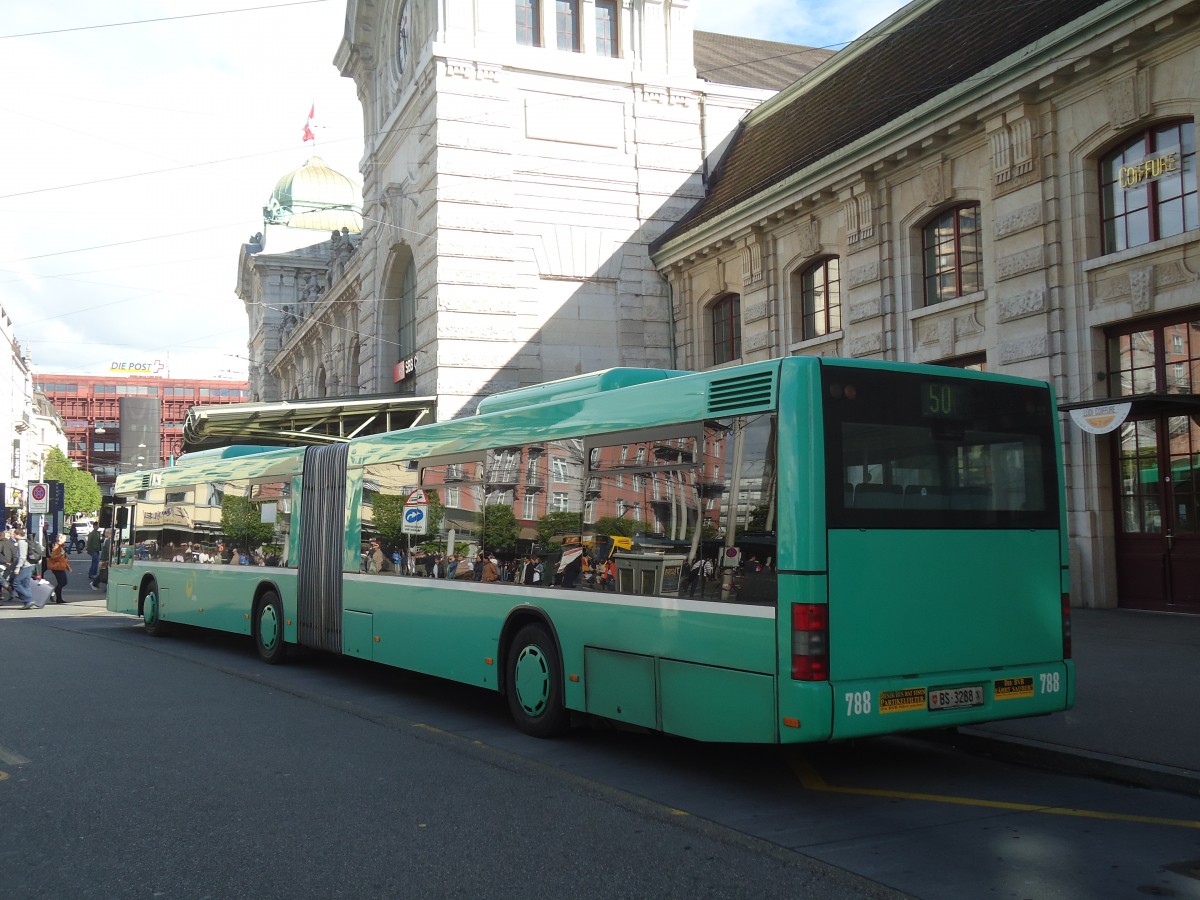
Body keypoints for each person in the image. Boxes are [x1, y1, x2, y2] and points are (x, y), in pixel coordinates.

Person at [12, 527, 37, 609]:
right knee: (26, 584)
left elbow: (22, 557)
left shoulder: (21, 542)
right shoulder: (26, 540)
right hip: (31, 565)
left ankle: (28, 599)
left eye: (14, 534)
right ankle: (28, 602)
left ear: (17, 534)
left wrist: (18, 567)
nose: (13, 536)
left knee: (16, 583)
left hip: (25, 566)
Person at [46, 535, 72, 604]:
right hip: (57, 567)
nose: (65, 540)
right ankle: (55, 595)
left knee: (63, 582)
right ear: (60, 539)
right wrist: (61, 554)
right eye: (64, 539)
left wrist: (68, 567)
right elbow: (52, 557)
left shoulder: (61, 546)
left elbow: (64, 558)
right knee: (62, 582)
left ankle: (58, 598)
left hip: (61, 566)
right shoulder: (56, 546)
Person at [0, 527, 17, 601]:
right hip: (9, 564)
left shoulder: (1, 543)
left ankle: (10, 591)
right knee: (3, 578)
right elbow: (14, 555)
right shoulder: (11, 544)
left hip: (2, 564)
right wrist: (12, 563)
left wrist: (4, 562)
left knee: (1, 579)